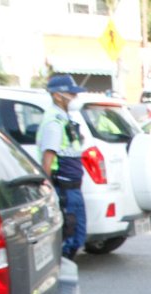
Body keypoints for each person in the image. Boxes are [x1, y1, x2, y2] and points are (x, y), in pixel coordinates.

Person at [38, 74, 88, 259]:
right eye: (71, 94)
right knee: (70, 235)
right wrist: (48, 189)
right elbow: (48, 159)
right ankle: (64, 266)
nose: (75, 97)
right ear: (57, 96)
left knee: (77, 234)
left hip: (73, 187)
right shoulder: (54, 122)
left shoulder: (65, 119)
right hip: (64, 188)